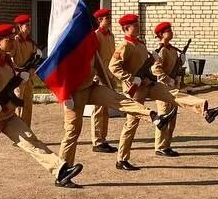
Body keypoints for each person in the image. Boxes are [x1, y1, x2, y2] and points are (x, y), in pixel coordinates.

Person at [0, 23, 82, 199]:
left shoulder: (9, 60)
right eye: (8, 40)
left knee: (30, 140)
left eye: (12, 39)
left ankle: (60, 170)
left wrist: (22, 76)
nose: (12, 43)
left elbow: (11, 81)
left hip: (8, 114)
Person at [57, 30, 159, 171]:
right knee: (72, 131)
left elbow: (98, 67)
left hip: (91, 87)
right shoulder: (69, 49)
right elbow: (60, 73)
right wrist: (66, 95)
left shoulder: (92, 45)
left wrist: (109, 86)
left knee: (119, 100)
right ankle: (62, 170)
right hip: (74, 93)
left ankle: (153, 116)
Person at [109, 13, 178, 171]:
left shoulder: (140, 43)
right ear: (126, 28)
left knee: (134, 122)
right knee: (131, 123)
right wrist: (130, 78)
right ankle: (121, 159)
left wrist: (148, 74)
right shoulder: (124, 45)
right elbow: (113, 67)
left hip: (144, 86)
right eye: (135, 25)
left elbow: (145, 67)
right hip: (134, 90)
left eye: (137, 24)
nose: (138, 26)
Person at [151, 21, 218, 157]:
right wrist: (168, 79)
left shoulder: (173, 50)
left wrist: (179, 71)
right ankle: (160, 146)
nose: (171, 32)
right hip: (163, 88)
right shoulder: (160, 51)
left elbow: (176, 68)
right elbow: (156, 69)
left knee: (172, 119)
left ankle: (166, 146)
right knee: (164, 117)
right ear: (161, 34)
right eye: (168, 30)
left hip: (174, 86)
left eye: (171, 30)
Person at [88, 7, 118, 153]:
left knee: (106, 110)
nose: (109, 20)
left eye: (109, 17)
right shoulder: (96, 35)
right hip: (100, 77)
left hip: (110, 76)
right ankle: (97, 140)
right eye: (106, 18)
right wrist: (97, 76)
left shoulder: (110, 36)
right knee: (99, 109)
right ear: (100, 20)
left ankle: (103, 138)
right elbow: (93, 59)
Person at [12, 13, 38, 130]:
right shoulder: (15, 42)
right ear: (19, 27)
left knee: (28, 105)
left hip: (29, 78)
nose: (28, 28)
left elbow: (35, 59)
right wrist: (20, 71)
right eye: (26, 25)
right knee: (18, 105)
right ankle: (18, 131)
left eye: (29, 25)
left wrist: (32, 68)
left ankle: (26, 130)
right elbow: (10, 60)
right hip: (18, 78)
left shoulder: (31, 42)